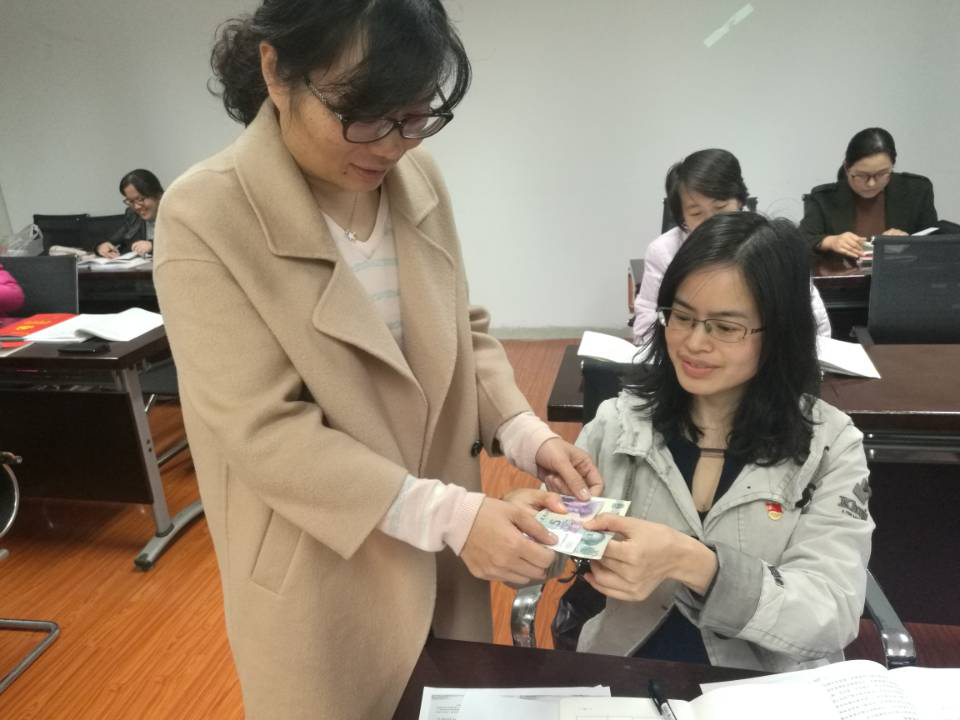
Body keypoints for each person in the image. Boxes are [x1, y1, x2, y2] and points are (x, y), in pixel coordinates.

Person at [153, 2, 599, 719]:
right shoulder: (205, 215)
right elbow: (264, 432)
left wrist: (522, 431)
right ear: (276, 70)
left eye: (415, 116)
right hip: (324, 575)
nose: (391, 144)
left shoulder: (419, 180)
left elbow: (462, 332)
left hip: (444, 559)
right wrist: (452, 515)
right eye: (362, 114)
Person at [557, 212, 873, 672]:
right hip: (628, 674)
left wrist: (697, 565)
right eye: (681, 316)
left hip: (766, 686)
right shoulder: (619, 423)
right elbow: (565, 538)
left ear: (779, 332)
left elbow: (831, 611)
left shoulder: (830, 445)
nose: (693, 343)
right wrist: (532, 530)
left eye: (725, 327)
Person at [633, 149, 831, 343]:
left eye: (720, 208)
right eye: (696, 214)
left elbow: (810, 314)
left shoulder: (772, 242)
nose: (711, 222)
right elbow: (647, 318)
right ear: (681, 216)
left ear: (739, 201)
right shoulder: (665, 251)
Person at [800, 127, 938, 259]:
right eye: (862, 175)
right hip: (843, 274)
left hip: (902, 271)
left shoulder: (916, 191)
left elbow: (936, 239)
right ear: (847, 167)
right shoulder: (823, 199)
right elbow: (804, 239)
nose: (871, 183)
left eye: (881, 174)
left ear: (892, 166)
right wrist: (830, 241)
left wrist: (909, 241)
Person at [96, 169, 164, 258]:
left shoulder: (175, 210)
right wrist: (101, 247)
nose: (136, 206)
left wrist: (153, 245)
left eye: (140, 199)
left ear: (158, 194)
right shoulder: (133, 214)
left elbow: (181, 242)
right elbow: (113, 241)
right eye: (131, 201)